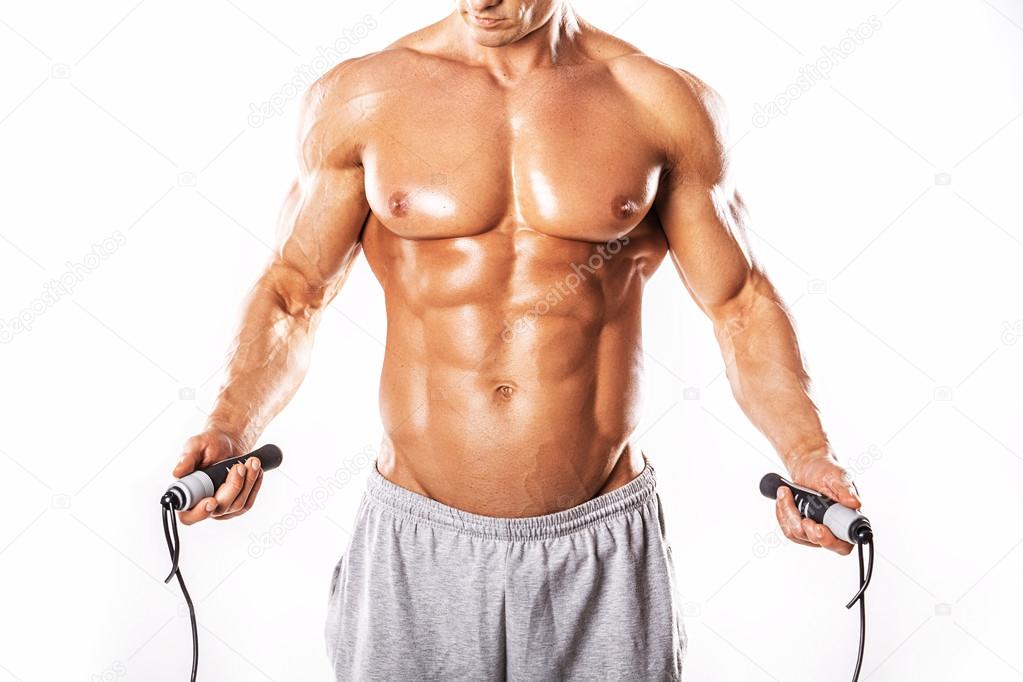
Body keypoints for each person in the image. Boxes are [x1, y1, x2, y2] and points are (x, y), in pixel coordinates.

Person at [171, 1, 864, 678]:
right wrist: (230, 427)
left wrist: (807, 455)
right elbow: (295, 290)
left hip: (597, 542)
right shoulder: (364, 97)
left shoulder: (657, 102)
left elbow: (738, 304)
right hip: (417, 539)